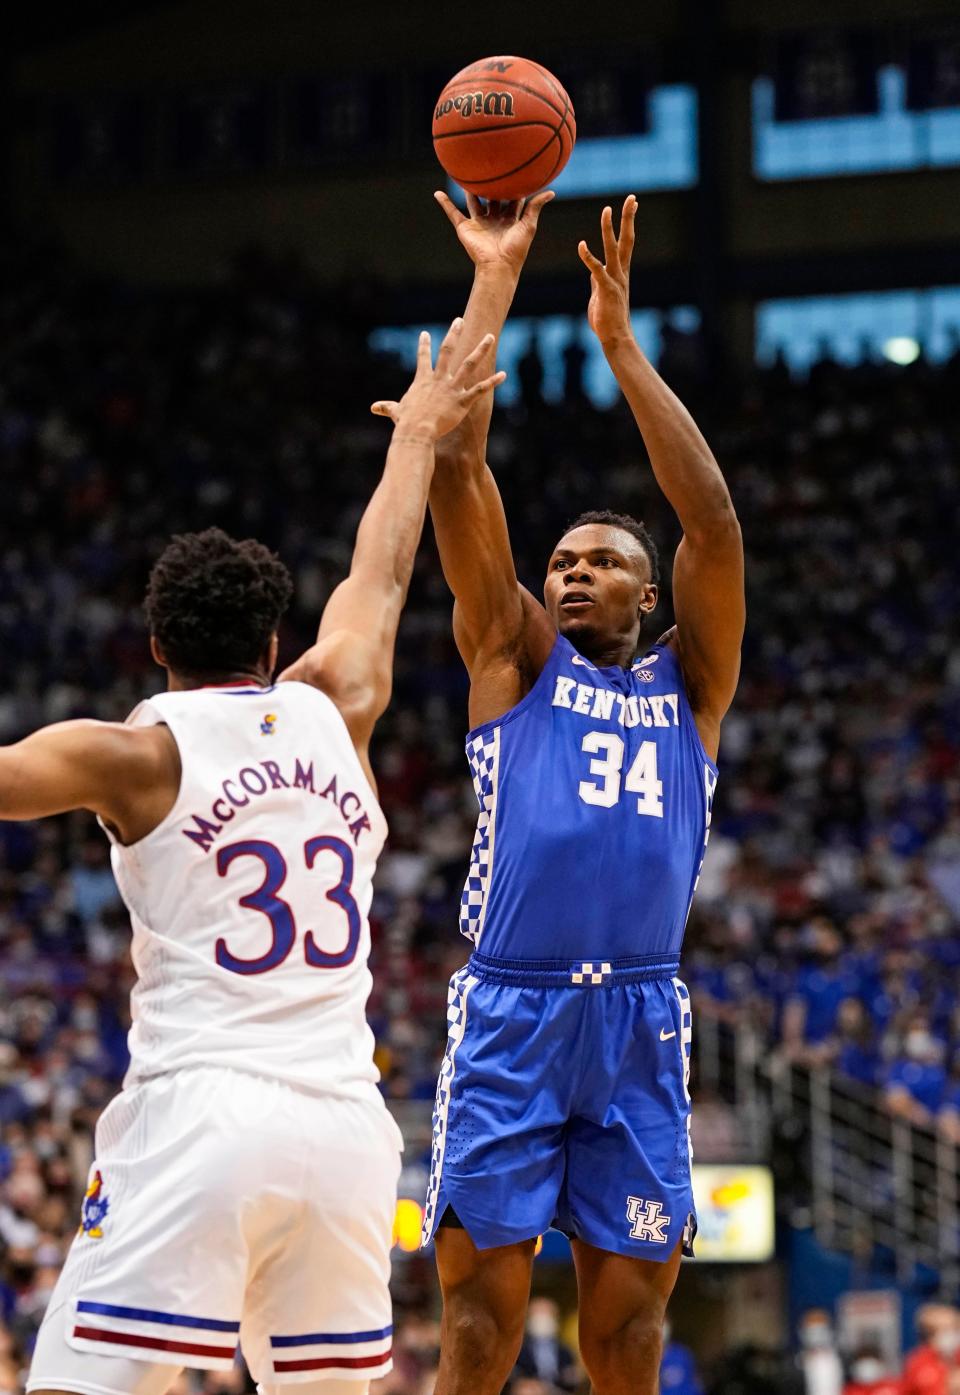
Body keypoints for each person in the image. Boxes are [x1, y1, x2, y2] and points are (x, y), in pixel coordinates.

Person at [7, 321, 504, 1395]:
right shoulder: (340, 706)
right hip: (345, 1126)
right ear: (277, 643)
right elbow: (383, 566)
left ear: (155, 648)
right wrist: (418, 431)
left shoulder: (134, 754)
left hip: (205, 1116)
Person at [373, 192, 743, 1395]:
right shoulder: (513, 658)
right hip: (514, 1014)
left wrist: (622, 348)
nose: (574, 572)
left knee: (630, 1334)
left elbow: (716, 526)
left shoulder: (692, 685)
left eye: (604, 564)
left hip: (638, 1019)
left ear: (649, 597)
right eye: (562, 562)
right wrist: (497, 279)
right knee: (478, 1326)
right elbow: (460, 467)